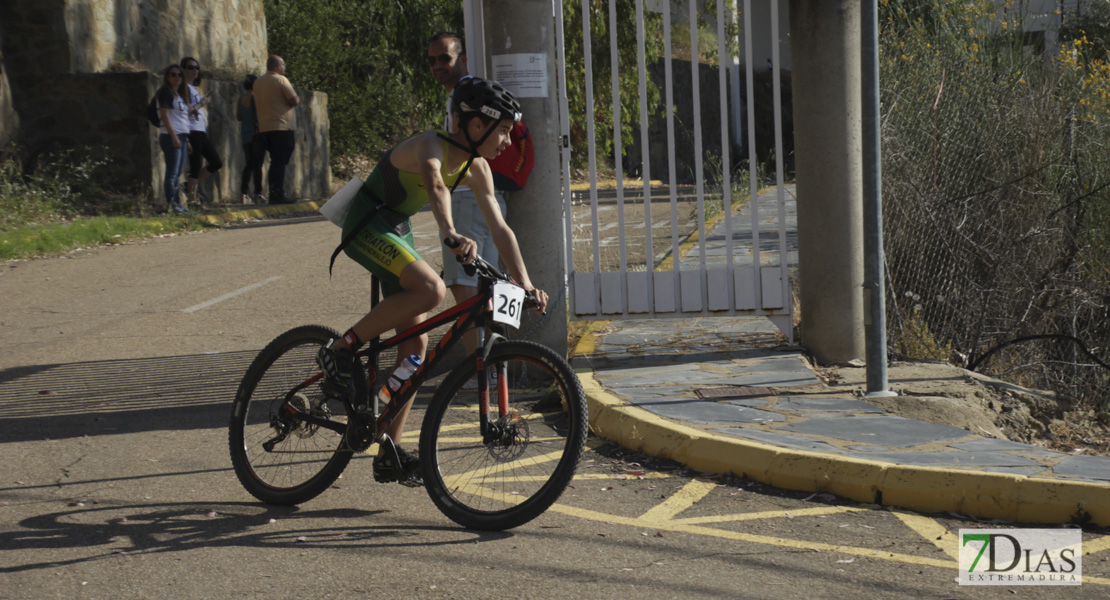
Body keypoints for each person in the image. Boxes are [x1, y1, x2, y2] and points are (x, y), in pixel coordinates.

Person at [316, 77, 549, 485]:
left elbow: (500, 228)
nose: (510, 142)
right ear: (477, 126)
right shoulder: (430, 145)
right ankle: (339, 351)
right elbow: (437, 185)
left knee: (414, 352)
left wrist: (525, 283)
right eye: (506, 130)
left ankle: (388, 450)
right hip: (368, 223)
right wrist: (450, 232)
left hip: (396, 228)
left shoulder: (478, 167)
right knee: (431, 289)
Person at [428, 32, 535, 386]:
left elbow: (443, 175)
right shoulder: (469, 95)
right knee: (490, 285)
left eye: (445, 58)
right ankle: (498, 366)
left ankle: (482, 371)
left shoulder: (468, 97)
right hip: (483, 194)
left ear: (464, 59)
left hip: (466, 196)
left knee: (465, 288)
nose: (438, 66)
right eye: (432, 61)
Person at [253, 55, 299, 204]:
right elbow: (293, 100)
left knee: (275, 161)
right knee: (279, 162)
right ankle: (277, 193)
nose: (284, 68)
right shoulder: (280, 79)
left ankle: (274, 192)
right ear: (278, 66)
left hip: (265, 128)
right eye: (284, 65)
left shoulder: (258, 82)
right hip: (282, 126)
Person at [180, 57, 223, 207]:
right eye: (191, 67)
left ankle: (189, 186)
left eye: (197, 68)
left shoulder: (193, 89)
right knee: (195, 166)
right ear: (183, 70)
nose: (195, 70)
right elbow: (186, 111)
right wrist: (202, 103)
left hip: (200, 131)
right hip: (192, 131)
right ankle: (192, 201)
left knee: (216, 162)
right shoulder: (183, 88)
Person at [155, 64, 191, 214]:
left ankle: (177, 204)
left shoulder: (178, 96)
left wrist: (186, 140)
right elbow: (165, 116)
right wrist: (174, 137)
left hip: (181, 137)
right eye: (173, 74)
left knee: (176, 174)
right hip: (171, 137)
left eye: (179, 75)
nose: (177, 77)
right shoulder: (165, 92)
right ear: (167, 77)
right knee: (171, 173)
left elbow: (180, 119)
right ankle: (173, 204)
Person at [236, 74, 266, 204]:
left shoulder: (241, 99)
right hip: (257, 134)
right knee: (258, 165)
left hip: (245, 134)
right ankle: (258, 193)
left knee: (249, 165)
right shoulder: (256, 98)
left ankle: (244, 192)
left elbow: (239, 117)